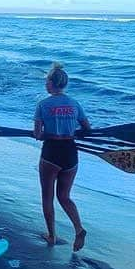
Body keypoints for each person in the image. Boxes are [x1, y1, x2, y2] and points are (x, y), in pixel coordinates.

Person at [33, 63, 90, 251]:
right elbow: (87, 129)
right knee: (64, 196)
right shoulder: (74, 104)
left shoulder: (43, 105)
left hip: (51, 153)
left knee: (47, 197)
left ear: (51, 83)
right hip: (71, 153)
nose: (45, 84)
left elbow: (38, 134)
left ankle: (51, 235)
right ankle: (79, 228)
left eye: (47, 80)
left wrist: (45, 133)